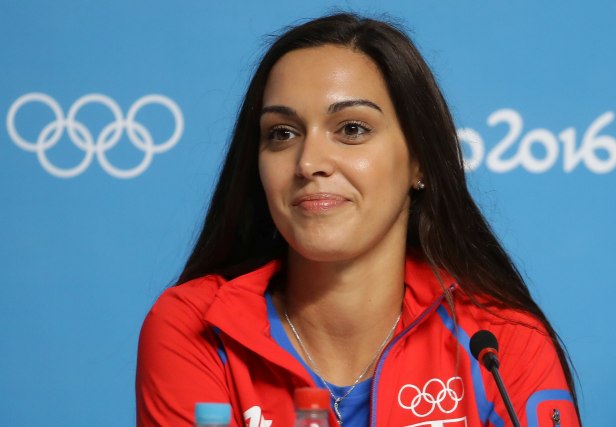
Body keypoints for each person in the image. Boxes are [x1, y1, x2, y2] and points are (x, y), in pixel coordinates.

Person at [136, 13, 581, 427]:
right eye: (282, 134)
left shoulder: (501, 342)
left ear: (420, 161)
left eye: (352, 129)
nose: (309, 162)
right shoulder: (192, 326)